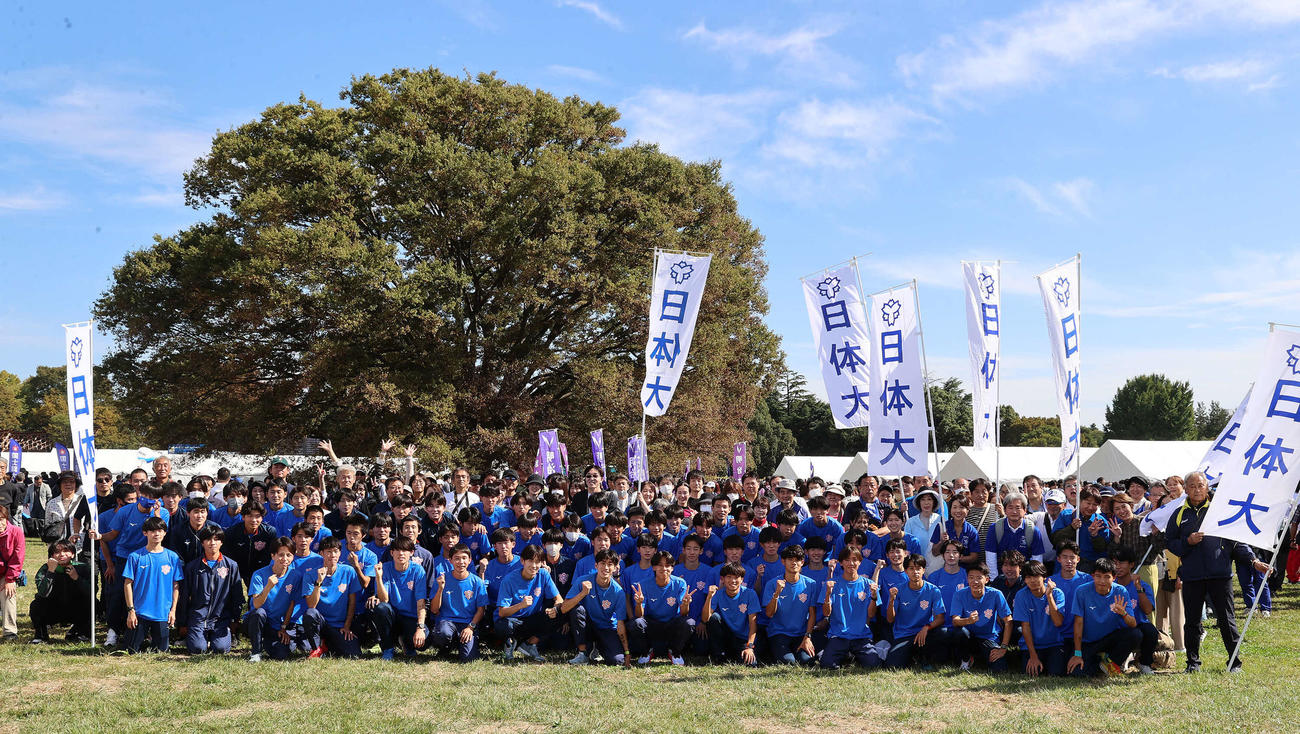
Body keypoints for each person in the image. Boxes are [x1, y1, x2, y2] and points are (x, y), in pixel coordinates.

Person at [1165, 471, 1269, 673]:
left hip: (1220, 575)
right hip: (1192, 576)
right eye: (1192, 486)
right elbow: (1170, 543)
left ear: (1207, 487)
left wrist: (1253, 561)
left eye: (1200, 485)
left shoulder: (1220, 511)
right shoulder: (1179, 514)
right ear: (1185, 489)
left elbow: (1236, 542)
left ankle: (1234, 662)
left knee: (1227, 619)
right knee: (1192, 622)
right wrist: (1188, 541)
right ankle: (1192, 663)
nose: (1197, 489)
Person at [1066, 558, 1140, 677]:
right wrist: (1077, 654)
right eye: (1098, 576)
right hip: (1088, 642)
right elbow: (1078, 624)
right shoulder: (1081, 591)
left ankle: (1113, 662)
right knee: (1077, 673)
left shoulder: (1121, 591)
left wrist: (1124, 613)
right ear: (1092, 576)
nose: (1102, 581)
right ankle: (1101, 662)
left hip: (1110, 640)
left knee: (1136, 634)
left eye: (1107, 577)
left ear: (1114, 577)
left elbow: (1133, 624)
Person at [123, 516, 184, 653]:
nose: (156, 534)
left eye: (160, 530)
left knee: (161, 651)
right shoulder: (135, 557)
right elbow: (127, 584)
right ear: (145, 533)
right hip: (140, 612)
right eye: (152, 531)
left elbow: (176, 586)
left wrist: (173, 610)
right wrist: (131, 610)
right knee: (131, 650)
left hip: (162, 612)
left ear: (165, 533)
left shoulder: (172, 557)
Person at [178, 526, 243, 654]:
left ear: (221, 542)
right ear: (202, 542)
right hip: (198, 617)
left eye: (216, 539)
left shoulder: (231, 566)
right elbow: (184, 596)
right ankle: (197, 636)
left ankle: (222, 636)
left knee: (220, 649)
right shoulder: (192, 567)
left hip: (220, 618)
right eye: (208, 539)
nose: (212, 543)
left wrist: (235, 619)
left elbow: (237, 595)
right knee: (198, 649)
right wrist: (183, 622)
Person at [561, 549, 631, 666]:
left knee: (617, 660)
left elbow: (620, 624)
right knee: (577, 610)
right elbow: (564, 608)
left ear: (615, 568)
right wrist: (583, 593)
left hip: (606, 627)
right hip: (587, 626)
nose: (606, 568)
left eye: (610, 564)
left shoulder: (618, 592)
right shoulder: (582, 580)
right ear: (596, 565)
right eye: (602, 563)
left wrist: (627, 652)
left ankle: (597, 648)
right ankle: (583, 653)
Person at [819, 547, 883, 671]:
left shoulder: (869, 584)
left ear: (860, 562)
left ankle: (852, 654)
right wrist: (827, 594)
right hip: (839, 635)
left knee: (873, 665)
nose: (851, 563)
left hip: (861, 635)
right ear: (841, 563)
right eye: (847, 560)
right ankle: (845, 654)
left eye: (854, 559)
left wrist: (874, 597)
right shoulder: (832, 584)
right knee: (827, 665)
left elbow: (871, 614)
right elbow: (826, 613)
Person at [299, 536, 363, 659]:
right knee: (310, 613)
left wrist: (347, 626)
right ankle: (316, 648)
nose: (332, 555)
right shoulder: (310, 574)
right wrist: (318, 582)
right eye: (328, 552)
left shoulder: (348, 571)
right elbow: (311, 605)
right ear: (321, 553)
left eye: (335, 551)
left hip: (339, 625)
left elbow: (352, 602)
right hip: (321, 623)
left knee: (354, 655)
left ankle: (327, 645)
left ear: (340, 553)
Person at [496, 544, 561, 662]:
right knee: (504, 625)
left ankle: (529, 644)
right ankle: (509, 644)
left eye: (538, 562)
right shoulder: (509, 580)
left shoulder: (543, 574)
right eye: (530, 561)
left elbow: (559, 599)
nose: (534, 566)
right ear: (522, 561)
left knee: (559, 612)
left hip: (532, 619)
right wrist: (521, 605)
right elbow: (502, 612)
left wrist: (555, 609)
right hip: (512, 620)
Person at [245, 538, 307, 661]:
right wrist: (268, 587)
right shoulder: (259, 574)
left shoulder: (296, 576)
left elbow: (292, 604)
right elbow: (256, 605)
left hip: (276, 625)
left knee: (281, 654)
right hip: (256, 621)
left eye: (289, 555)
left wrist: (283, 627)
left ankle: (267, 643)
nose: (285, 559)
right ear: (273, 556)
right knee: (259, 613)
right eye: (281, 555)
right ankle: (256, 652)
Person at [370, 536, 429, 660]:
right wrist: (379, 578)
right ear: (392, 553)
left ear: (411, 553)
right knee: (381, 608)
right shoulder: (385, 568)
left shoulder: (418, 570)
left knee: (425, 641)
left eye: (405, 550)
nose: (401, 553)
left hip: (410, 618)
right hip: (393, 617)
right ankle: (388, 648)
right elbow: (384, 600)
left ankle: (406, 644)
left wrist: (420, 628)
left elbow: (421, 602)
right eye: (397, 550)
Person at [428, 543, 489, 662]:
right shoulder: (442, 580)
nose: (461, 562)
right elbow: (434, 610)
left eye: (464, 558)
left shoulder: (477, 582)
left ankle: (463, 645)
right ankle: (447, 647)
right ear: (450, 560)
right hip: (447, 622)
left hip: (467, 623)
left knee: (468, 659)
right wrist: (440, 589)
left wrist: (471, 627)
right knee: (443, 633)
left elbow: (481, 610)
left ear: (470, 560)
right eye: (456, 558)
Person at [884, 553, 945, 669]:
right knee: (892, 666)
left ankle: (924, 657)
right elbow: (890, 619)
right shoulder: (898, 590)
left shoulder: (933, 590)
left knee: (942, 633)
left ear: (923, 570)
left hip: (925, 633)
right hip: (904, 634)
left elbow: (940, 618)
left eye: (918, 568)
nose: (915, 572)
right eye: (911, 568)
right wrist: (891, 600)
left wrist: (926, 627)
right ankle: (912, 655)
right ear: (906, 571)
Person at [949, 563, 1013, 672]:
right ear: (967, 579)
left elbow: (1008, 621)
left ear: (987, 579)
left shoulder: (996, 594)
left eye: (979, 578)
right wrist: (968, 620)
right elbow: (955, 621)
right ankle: (966, 658)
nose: (975, 581)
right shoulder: (959, 594)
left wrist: (1003, 647)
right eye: (971, 577)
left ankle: (981, 657)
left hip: (988, 637)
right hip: (968, 637)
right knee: (959, 632)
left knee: (1000, 668)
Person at [762, 544, 818, 666]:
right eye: (790, 559)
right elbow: (769, 614)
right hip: (779, 633)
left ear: (802, 562)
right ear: (783, 561)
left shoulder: (811, 584)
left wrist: (807, 637)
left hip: (801, 633)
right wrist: (777, 593)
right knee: (789, 662)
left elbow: (812, 613)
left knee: (807, 661)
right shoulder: (772, 584)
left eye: (798, 560)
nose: (794, 563)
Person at [29, 539, 91, 643]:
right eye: (57, 552)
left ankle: (78, 632)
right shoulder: (45, 568)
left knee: (91, 602)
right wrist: (50, 572)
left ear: (72, 554)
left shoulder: (82, 568)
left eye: (66, 551)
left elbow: (90, 592)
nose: (62, 554)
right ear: (52, 556)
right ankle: (41, 635)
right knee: (36, 605)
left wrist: (77, 578)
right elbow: (42, 593)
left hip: (75, 608)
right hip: (53, 608)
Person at [1014, 561, 1067, 676]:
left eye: (1036, 576)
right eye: (1028, 577)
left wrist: (1049, 596)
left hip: (1054, 644)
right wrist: (1033, 656)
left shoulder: (1057, 594)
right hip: (1032, 645)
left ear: (1044, 577)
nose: (1032, 580)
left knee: (1056, 673)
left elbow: (1058, 622)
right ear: (1024, 580)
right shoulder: (1021, 595)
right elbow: (1025, 627)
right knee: (1031, 673)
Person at [703, 561, 760, 666]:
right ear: (722, 579)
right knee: (714, 618)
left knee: (750, 664)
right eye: (729, 577)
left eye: (736, 577)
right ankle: (719, 655)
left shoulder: (750, 594)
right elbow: (706, 618)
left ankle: (734, 654)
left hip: (743, 638)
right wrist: (709, 597)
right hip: (727, 636)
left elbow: (753, 624)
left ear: (742, 579)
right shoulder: (718, 594)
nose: (733, 581)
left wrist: (749, 647)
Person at [1113, 548, 1157, 675]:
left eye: (1121, 563)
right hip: (1115, 626)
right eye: (1115, 563)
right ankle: (1117, 662)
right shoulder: (1110, 585)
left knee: (1151, 632)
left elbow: (1148, 610)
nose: (1117, 567)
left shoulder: (1142, 585)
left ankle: (1144, 663)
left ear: (1131, 564)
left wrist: (1138, 588)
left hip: (1138, 624)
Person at [0, 504, 25, 640]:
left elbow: (17, 558)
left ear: (6, 519)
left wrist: (10, 579)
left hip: (7, 572)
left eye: (1, 519)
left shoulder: (16, 532)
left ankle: (9, 630)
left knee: (8, 592)